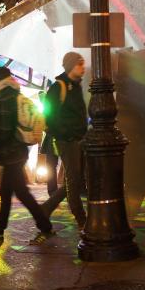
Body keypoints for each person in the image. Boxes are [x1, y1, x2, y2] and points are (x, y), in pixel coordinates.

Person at [0, 66, 55, 245]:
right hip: (18, 150)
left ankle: (45, 228)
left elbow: (4, 128)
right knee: (10, 192)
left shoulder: (5, 97)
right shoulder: (15, 93)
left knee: (20, 193)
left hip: (11, 152)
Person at [43, 51, 87, 229]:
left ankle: (47, 208)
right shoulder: (59, 86)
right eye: (80, 64)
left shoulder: (76, 86)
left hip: (77, 139)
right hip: (66, 140)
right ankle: (81, 218)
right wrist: (64, 133)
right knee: (74, 178)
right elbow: (48, 114)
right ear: (71, 66)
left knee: (74, 178)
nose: (83, 68)